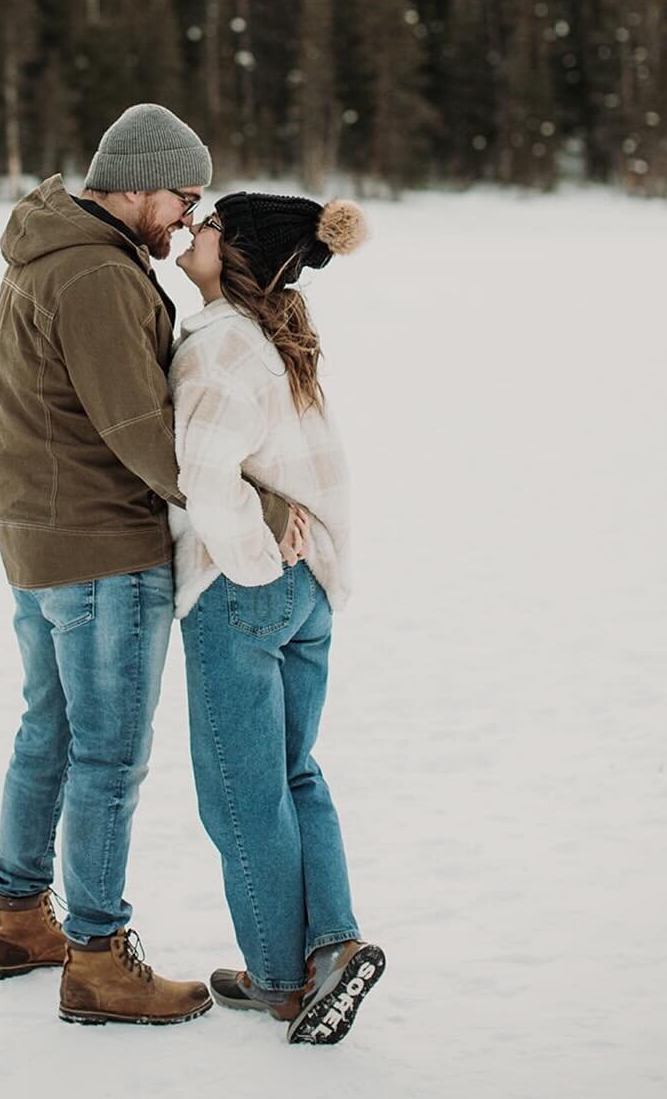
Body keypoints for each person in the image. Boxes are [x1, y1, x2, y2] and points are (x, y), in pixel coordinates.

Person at [0, 104, 302, 1027]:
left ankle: (17, 916)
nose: (187, 217)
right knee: (109, 756)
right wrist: (254, 508)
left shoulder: (59, 253)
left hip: (42, 544)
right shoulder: (93, 274)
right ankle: (96, 955)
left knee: (52, 733)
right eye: (182, 195)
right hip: (101, 551)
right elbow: (140, 432)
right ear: (136, 179)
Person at [170, 190, 386, 1046]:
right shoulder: (273, 341)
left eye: (211, 226)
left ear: (241, 255)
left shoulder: (221, 345)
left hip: (248, 592)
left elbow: (206, 475)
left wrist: (252, 564)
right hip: (309, 594)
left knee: (241, 795)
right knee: (295, 775)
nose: (194, 230)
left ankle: (280, 980)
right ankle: (332, 944)